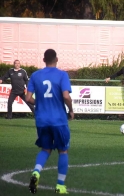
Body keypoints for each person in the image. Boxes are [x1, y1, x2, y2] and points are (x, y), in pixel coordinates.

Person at [25, 49, 74, 194]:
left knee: (45, 149)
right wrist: (71, 110)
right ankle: (60, 185)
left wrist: (39, 103)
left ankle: (36, 172)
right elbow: (66, 96)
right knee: (63, 151)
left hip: (41, 120)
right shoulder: (62, 75)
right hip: (58, 120)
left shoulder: (35, 75)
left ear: (43, 60)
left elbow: (28, 98)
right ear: (56, 59)